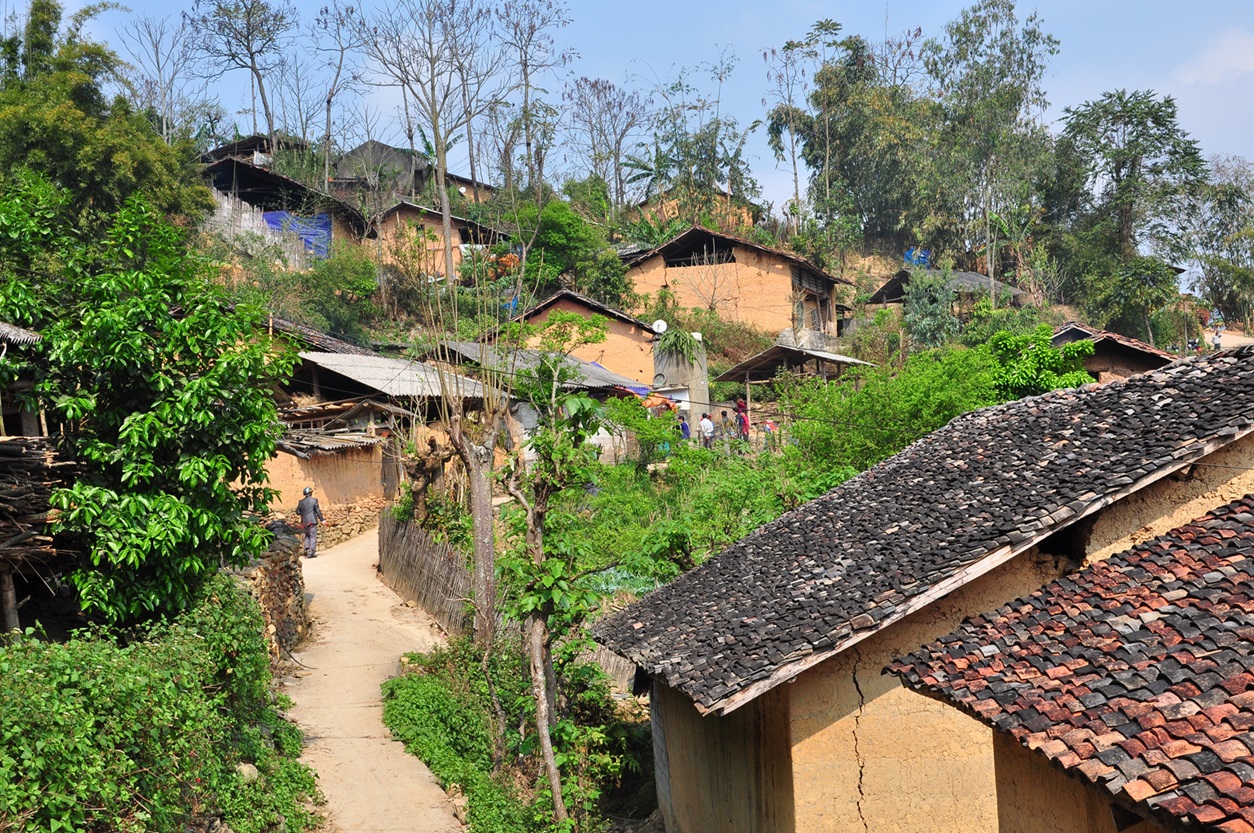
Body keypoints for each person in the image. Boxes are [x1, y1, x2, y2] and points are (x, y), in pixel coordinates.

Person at [297, 486, 324, 558]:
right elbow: (317, 511)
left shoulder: (301, 502)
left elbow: (297, 511)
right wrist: (322, 520)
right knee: (312, 536)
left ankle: (306, 548)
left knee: (307, 535)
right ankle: (311, 552)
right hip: (312, 521)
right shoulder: (314, 500)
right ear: (311, 493)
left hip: (304, 522)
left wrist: (303, 514)